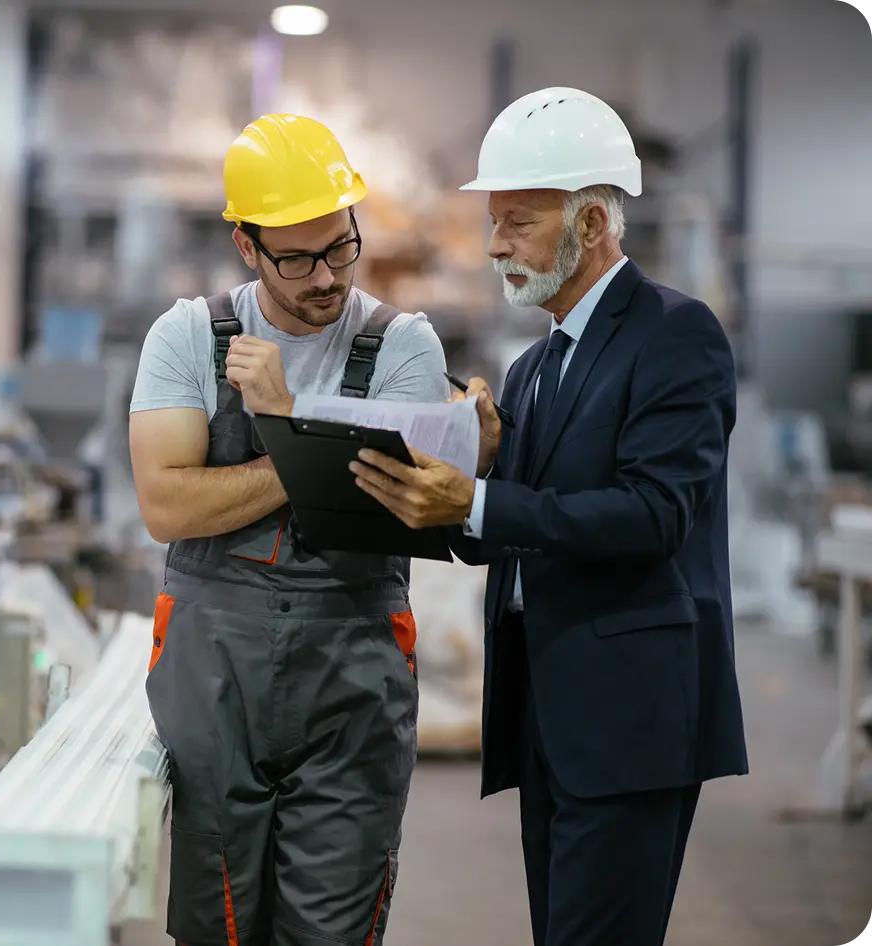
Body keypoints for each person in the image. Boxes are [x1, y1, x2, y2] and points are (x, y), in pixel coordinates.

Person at [349, 87, 748, 946]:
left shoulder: (677, 336)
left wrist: (485, 497)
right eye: (495, 222)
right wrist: (470, 467)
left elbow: (653, 515)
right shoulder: (533, 369)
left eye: (518, 222)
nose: (494, 245)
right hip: (550, 717)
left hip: (632, 719)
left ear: (593, 225)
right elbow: (518, 524)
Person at [129, 113, 447, 946]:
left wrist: (284, 413)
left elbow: (402, 499)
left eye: (340, 248)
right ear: (246, 247)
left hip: (353, 681)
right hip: (215, 683)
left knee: (331, 931)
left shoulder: (404, 345)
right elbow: (166, 505)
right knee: (217, 923)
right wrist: (318, 451)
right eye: (297, 258)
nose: (325, 278)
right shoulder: (188, 337)